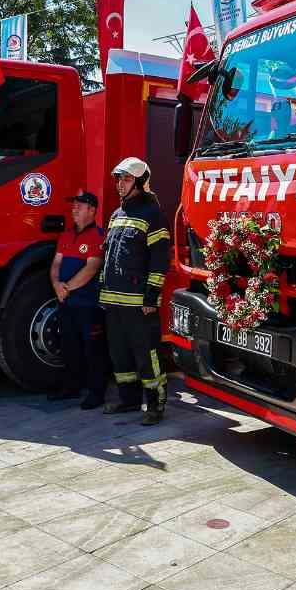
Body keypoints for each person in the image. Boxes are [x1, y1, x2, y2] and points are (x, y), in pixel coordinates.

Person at [98, 157, 171, 425]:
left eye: (126, 179)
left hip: (139, 303)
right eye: (119, 179)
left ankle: (155, 405)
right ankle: (128, 401)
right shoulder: (117, 215)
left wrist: (152, 296)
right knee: (119, 354)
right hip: (113, 301)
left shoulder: (153, 215)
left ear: (140, 183)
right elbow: (108, 256)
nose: (120, 184)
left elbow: (159, 260)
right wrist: (103, 290)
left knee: (147, 355)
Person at [50, 190, 106, 407]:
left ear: (92, 210)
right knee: (69, 346)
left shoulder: (98, 236)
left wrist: (66, 288)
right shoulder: (66, 235)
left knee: (93, 349)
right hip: (66, 302)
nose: (74, 208)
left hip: (88, 304)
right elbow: (56, 263)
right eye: (73, 205)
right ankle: (71, 388)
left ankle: (96, 393)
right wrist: (56, 285)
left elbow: (91, 268)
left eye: (79, 206)